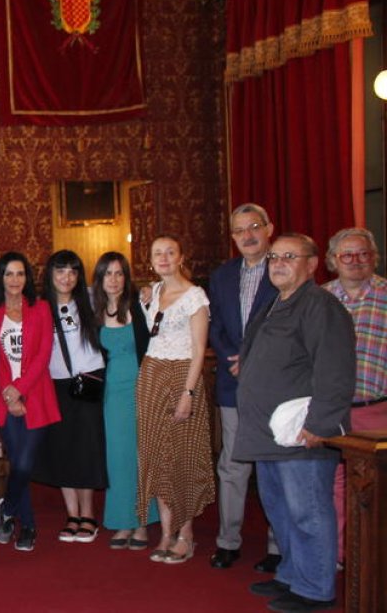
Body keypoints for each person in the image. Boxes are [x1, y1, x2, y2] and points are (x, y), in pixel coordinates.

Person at [236, 233, 354, 613]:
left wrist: (321, 424)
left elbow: (334, 368)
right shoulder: (276, 302)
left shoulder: (320, 304)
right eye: (274, 257)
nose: (279, 263)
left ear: (313, 264)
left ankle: (316, 589)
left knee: (308, 511)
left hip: (301, 432)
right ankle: (292, 576)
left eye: (290, 256)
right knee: (280, 509)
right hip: (268, 432)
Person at [207, 203, 280, 572]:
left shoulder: (286, 269)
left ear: (269, 228)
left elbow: (289, 327)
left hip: (275, 388)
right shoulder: (221, 276)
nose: (248, 235)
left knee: (272, 467)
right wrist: (235, 358)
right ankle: (228, 541)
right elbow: (215, 324)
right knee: (232, 466)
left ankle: (277, 546)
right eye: (239, 230)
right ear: (233, 237)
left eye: (254, 227)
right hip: (233, 383)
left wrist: (254, 360)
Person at [136, 235, 214, 565]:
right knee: (156, 457)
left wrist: (188, 393)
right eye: (158, 253)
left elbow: (199, 351)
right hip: (152, 376)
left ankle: (186, 535)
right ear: (150, 260)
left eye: (170, 252)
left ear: (181, 256)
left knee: (182, 456)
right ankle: (166, 533)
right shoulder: (151, 293)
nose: (164, 258)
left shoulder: (195, 296)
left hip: (183, 376)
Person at [322, 227, 387, 560]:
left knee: (376, 490)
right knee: (334, 486)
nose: (355, 261)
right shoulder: (321, 298)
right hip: (332, 410)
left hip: (376, 410)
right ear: (334, 260)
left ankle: (372, 559)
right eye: (347, 255)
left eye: (363, 254)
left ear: (374, 257)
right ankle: (341, 557)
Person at [33, 250, 108, 543]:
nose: (66, 277)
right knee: (63, 448)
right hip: (55, 384)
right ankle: (72, 514)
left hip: (89, 381)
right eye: (60, 271)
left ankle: (88, 515)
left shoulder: (90, 299)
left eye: (73, 272)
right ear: (50, 275)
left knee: (86, 448)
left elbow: (120, 296)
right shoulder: (40, 307)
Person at [89, 252, 157, 549]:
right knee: (117, 459)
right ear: (100, 280)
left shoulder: (141, 306)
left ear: (126, 277)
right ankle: (121, 521)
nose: (113, 280)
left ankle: (141, 522)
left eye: (119, 273)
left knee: (141, 456)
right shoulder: (94, 313)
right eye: (108, 274)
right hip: (111, 395)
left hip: (141, 388)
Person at [0, 252, 57, 552]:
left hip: (36, 396)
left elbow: (43, 355)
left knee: (26, 463)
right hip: (5, 401)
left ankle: (7, 507)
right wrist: (8, 392)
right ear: (0, 278)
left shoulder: (41, 308)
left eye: (20, 274)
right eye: (9, 274)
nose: (15, 280)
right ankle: (28, 526)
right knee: (18, 461)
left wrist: (20, 390)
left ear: (27, 278)